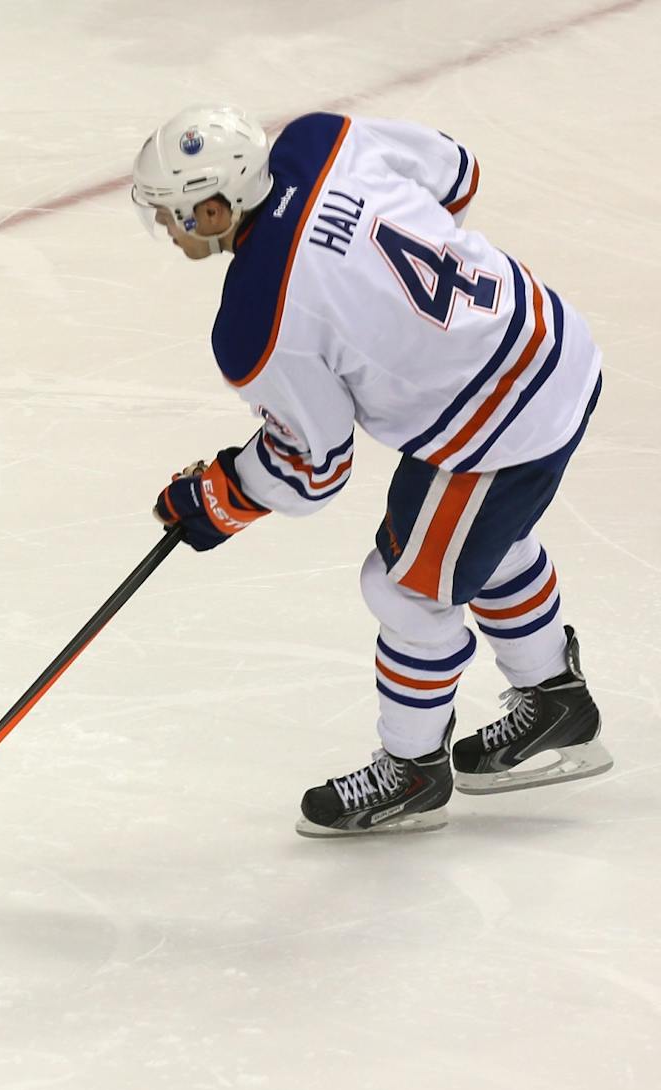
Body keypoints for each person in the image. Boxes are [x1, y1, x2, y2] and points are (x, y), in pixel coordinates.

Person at [132, 107, 610, 836]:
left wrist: (221, 496)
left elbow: (312, 469)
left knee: (406, 589)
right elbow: (457, 174)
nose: (169, 230)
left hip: (497, 426)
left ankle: (413, 774)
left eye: (175, 215)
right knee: (481, 542)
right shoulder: (322, 140)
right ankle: (557, 701)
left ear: (215, 207)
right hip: (551, 339)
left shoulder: (256, 317)